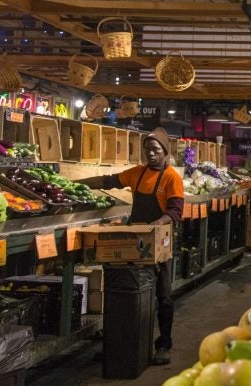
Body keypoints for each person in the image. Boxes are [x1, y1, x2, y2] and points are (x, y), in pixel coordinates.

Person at [79, 127, 184, 365]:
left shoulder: (171, 178)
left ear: (165, 152)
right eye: (148, 150)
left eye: (156, 150)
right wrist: (79, 182)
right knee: (126, 293)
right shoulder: (136, 174)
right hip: (135, 241)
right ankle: (120, 345)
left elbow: (176, 210)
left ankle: (164, 345)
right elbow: (109, 180)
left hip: (159, 242)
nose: (151, 154)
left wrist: (156, 225)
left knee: (163, 296)